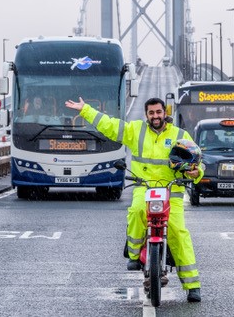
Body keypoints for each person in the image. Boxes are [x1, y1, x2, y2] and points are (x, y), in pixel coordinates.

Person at [65, 96, 203, 302]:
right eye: (151, 113)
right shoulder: (135, 130)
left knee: (178, 232)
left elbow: (196, 160)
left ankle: (192, 286)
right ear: (146, 115)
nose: (155, 116)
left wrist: (196, 173)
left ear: (165, 113)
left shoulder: (180, 135)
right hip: (144, 187)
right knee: (137, 211)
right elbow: (109, 126)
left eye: (158, 112)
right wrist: (86, 110)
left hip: (171, 192)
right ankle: (134, 254)